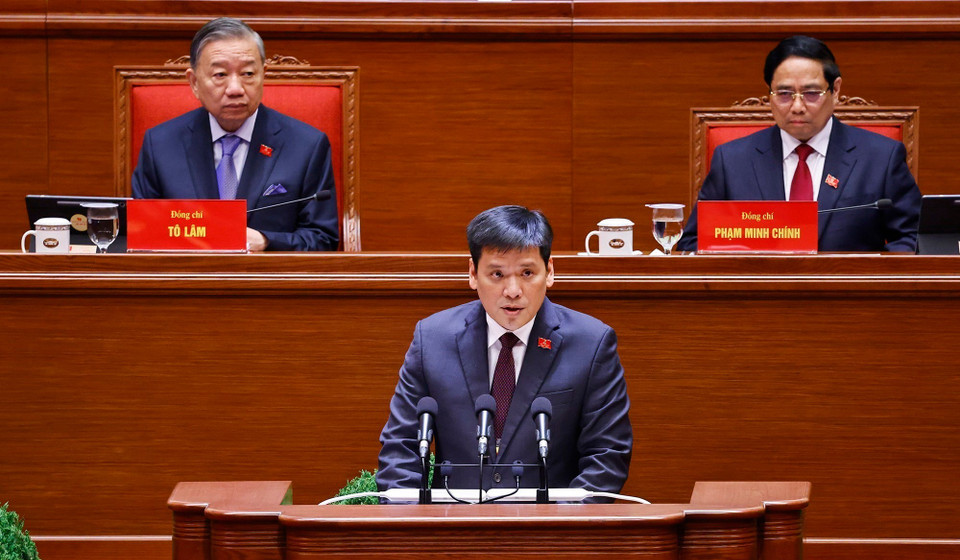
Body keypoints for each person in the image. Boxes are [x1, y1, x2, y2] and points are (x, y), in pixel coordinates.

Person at [377, 205, 632, 497]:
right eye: (497, 274)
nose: (513, 290)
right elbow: (400, 449)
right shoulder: (432, 339)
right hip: (453, 521)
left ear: (549, 272)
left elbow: (607, 456)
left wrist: (563, 522)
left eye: (527, 273)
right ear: (473, 274)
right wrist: (413, 519)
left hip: (552, 523)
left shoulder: (592, 343)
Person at [676, 35, 921, 253]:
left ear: (835, 90)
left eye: (811, 94)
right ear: (769, 94)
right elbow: (693, 243)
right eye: (784, 94)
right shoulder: (732, 161)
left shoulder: (880, 158)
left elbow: (913, 238)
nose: (797, 106)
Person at [131, 18, 338, 251]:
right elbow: (142, 237)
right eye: (220, 75)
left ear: (263, 75)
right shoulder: (160, 145)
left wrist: (267, 242)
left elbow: (323, 240)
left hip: (267, 273)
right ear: (194, 82)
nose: (235, 89)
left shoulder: (307, 146)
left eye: (248, 73)